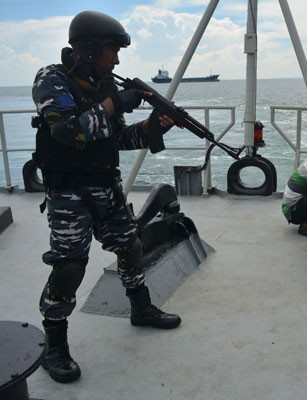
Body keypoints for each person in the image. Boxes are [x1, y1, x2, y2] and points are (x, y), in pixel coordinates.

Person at [32, 10, 181, 383]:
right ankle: (55, 344)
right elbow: (70, 132)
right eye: (111, 50)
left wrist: (148, 129)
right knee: (69, 266)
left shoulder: (105, 87)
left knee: (130, 247)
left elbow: (114, 138)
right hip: (68, 192)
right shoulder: (52, 79)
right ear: (87, 49)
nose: (116, 59)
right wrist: (119, 101)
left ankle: (141, 309)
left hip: (105, 185)